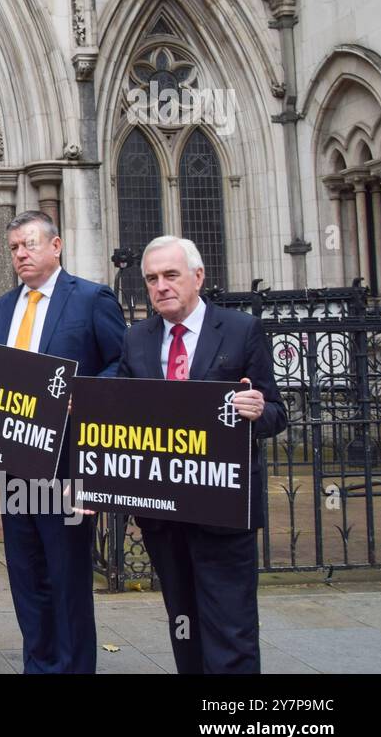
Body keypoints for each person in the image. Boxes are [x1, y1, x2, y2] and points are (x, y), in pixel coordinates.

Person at [117, 235, 286, 673]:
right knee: (184, 622)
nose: (161, 286)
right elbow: (117, 420)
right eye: (152, 279)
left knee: (231, 629)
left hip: (224, 511)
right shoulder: (136, 339)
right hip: (162, 514)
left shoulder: (240, 329)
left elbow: (277, 412)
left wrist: (257, 410)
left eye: (171, 275)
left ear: (198, 277)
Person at [0, 210, 125, 674]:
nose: (21, 254)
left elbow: (122, 365)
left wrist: (82, 395)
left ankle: (73, 667)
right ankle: (39, 665)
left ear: (56, 246)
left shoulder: (91, 299)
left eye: (29, 244)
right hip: (13, 464)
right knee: (26, 578)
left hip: (67, 467)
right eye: (14, 248)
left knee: (67, 578)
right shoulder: (3, 307)